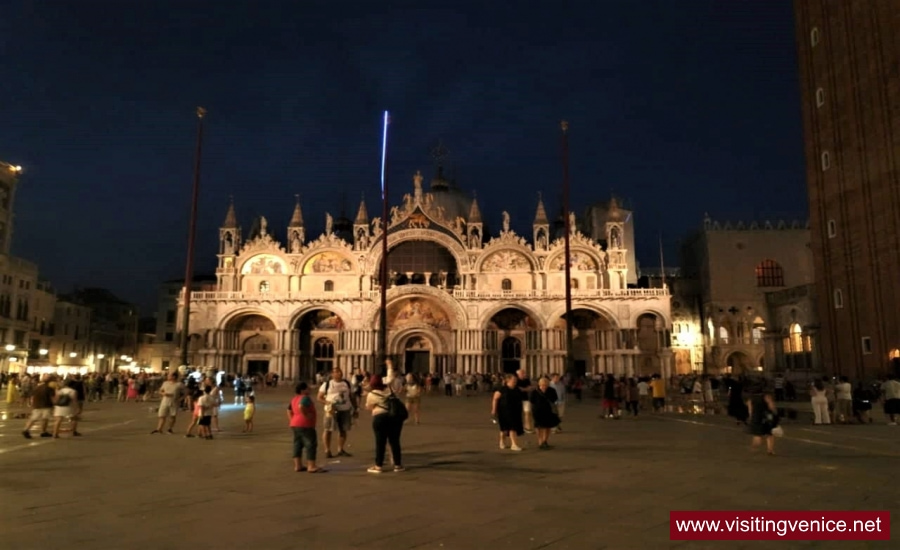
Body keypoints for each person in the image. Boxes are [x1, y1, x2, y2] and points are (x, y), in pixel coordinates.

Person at [365, 374, 405, 473]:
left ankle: (378, 466)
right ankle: (398, 465)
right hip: (393, 417)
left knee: (380, 442)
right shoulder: (389, 390)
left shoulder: (372, 394)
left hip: (380, 417)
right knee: (394, 441)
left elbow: (369, 407)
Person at [287, 383, 325, 473]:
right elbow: (301, 406)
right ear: (303, 390)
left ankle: (298, 465)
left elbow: (288, 410)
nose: (310, 389)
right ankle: (311, 466)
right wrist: (306, 415)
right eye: (308, 388)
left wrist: (292, 420)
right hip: (305, 424)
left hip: (295, 424)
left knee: (298, 444)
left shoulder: (294, 399)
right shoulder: (305, 398)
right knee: (310, 444)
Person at [317, 367, 356, 458]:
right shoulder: (327, 384)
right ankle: (327, 450)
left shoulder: (347, 383)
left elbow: (352, 397)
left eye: (340, 372)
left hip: (345, 409)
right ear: (332, 374)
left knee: (343, 430)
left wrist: (355, 409)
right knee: (328, 430)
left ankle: (340, 449)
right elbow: (319, 397)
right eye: (337, 372)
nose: (339, 373)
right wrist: (328, 403)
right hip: (331, 411)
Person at [492, 374, 524, 451]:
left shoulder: (517, 389)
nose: (515, 381)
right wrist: (494, 410)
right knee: (505, 428)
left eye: (515, 380)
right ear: (508, 380)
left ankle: (513, 444)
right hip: (504, 411)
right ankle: (505, 442)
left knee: (513, 427)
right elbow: (495, 399)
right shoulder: (502, 389)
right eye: (513, 379)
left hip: (515, 410)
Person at [529, 376, 560, 449]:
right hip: (537, 411)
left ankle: (544, 441)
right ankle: (540, 440)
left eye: (545, 385)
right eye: (542, 385)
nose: (544, 386)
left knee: (547, 426)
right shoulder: (534, 391)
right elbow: (531, 400)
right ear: (539, 384)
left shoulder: (551, 390)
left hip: (548, 411)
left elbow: (555, 398)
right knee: (538, 426)